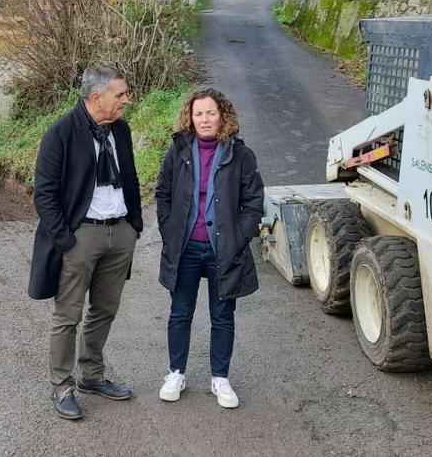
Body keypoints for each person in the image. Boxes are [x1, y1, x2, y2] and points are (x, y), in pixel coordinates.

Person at [28, 64, 142, 421]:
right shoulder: (61, 133)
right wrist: (67, 240)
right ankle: (62, 385)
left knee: (105, 309)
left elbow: (132, 178)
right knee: (68, 315)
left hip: (119, 231)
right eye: (120, 94)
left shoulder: (120, 130)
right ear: (96, 97)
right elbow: (44, 194)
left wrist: (133, 226)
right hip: (81, 236)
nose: (126, 100)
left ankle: (92, 375)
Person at [154, 87, 264, 409]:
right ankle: (176, 372)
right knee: (180, 313)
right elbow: (163, 193)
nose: (204, 119)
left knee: (223, 316)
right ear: (190, 116)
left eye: (211, 113)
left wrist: (239, 237)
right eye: (198, 113)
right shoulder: (178, 150)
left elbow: (254, 202)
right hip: (186, 247)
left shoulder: (240, 155)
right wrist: (169, 229)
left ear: (222, 116)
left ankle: (220, 378)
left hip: (223, 250)